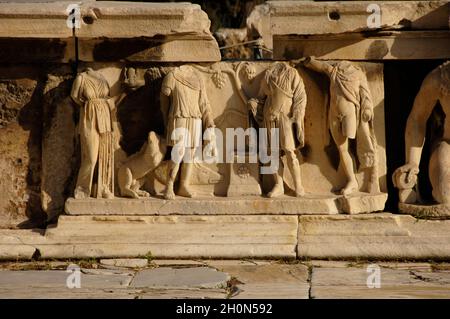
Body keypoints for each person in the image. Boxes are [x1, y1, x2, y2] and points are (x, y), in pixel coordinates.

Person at [302, 57, 379, 195]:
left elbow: (365, 94)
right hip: (334, 113)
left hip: (349, 114)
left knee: (351, 145)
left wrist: (367, 109)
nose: (341, 66)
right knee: (342, 148)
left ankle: (357, 178)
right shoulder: (335, 71)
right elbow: (322, 67)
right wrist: (307, 60)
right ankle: (351, 180)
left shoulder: (358, 74)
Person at [393, 61, 450, 204]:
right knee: (445, 195)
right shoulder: (440, 78)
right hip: (448, 145)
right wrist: (412, 161)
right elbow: (417, 119)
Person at [248, 62, 307, 197]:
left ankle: (298, 185)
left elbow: (301, 97)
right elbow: (261, 97)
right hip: (270, 116)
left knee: (289, 151)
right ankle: (278, 185)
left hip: (285, 118)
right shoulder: (268, 76)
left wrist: (298, 116)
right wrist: (254, 104)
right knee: (273, 153)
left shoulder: (292, 74)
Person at [160, 65, 216, 199]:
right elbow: (163, 101)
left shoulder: (198, 77)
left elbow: (204, 104)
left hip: (195, 118)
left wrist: (209, 123)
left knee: (190, 154)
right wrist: (166, 119)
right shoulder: (172, 76)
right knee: (177, 152)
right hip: (178, 116)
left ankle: (183, 185)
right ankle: (169, 184)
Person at [71, 68, 122, 199]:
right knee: (91, 156)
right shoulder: (81, 78)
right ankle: (82, 188)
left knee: (105, 154)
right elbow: (74, 96)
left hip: (104, 115)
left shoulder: (102, 78)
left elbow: (108, 96)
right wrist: (88, 105)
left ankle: (103, 187)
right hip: (90, 116)